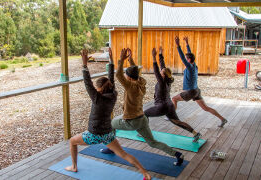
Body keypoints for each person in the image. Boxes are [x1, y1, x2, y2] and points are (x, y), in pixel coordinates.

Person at [65, 49, 151, 180]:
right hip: (107, 134)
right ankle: (144, 173)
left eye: (96, 87)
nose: (95, 88)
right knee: (123, 154)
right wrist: (111, 61)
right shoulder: (113, 95)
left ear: (99, 89)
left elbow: (87, 83)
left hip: (94, 134)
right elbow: (110, 80)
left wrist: (84, 65)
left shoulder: (97, 98)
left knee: (72, 141)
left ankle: (74, 166)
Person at [101, 48, 184, 166]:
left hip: (132, 121)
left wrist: (120, 59)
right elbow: (136, 74)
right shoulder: (141, 83)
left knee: (111, 124)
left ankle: (111, 148)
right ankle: (177, 154)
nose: (125, 75)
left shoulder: (129, 86)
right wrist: (131, 61)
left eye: (127, 74)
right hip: (142, 119)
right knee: (153, 142)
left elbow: (118, 74)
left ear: (129, 77)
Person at [144, 47, 201, 142]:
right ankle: (195, 133)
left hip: (161, 107)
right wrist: (161, 54)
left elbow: (156, 70)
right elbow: (162, 66)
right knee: (177, 122)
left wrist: (153, 57)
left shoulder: (162, 82)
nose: (161, 71)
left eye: (162, 72)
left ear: (163, 75)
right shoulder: (168, 80)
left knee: (144, 114)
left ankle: (146, 134)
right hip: (169, 105)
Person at [172, 37, 227, 127]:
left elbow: (182, 57)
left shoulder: (189, 67)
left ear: (189, 60)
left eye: (187, 59)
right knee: (205, 108)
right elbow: (190, 55)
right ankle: (222, 119)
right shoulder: (194, 65)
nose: (185, 60)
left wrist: (178, 45)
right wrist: (187, 43)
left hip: (190, 91)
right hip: (196, 90)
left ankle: (172, 117)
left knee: (174, 99)